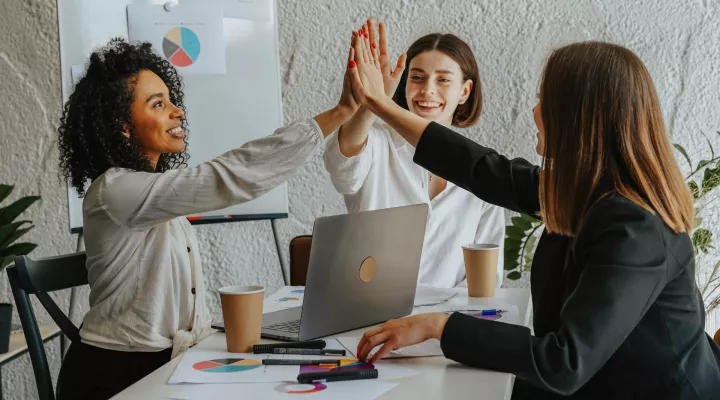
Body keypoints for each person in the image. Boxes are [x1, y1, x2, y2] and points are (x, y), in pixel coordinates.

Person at [347, 32, 720, 398]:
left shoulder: (635, 227)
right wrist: (381, 105)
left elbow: (564, 362)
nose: (535, 111)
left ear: (578, 117)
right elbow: (480, 167)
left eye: (544, 99)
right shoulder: (585, 191)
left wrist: (439, 326)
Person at [55, 38, 359, 399]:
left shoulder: (153, 196)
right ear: (123, 126)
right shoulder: (115, 190)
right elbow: (225, 177)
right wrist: (340, 112)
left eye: (171, 99)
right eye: (158, 104)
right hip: (114, 377)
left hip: (165, 365)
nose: (177, 111)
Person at [324, 20, 505, 289]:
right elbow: (342, 167)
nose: (427, 90)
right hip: (370, 314)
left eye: (443, 79)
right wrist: (374, 101)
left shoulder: (482, 169)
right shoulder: (376, 143)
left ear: (464, 91)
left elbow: (487, 277)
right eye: (417, 77)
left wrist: (446, 324)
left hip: (446, 321)